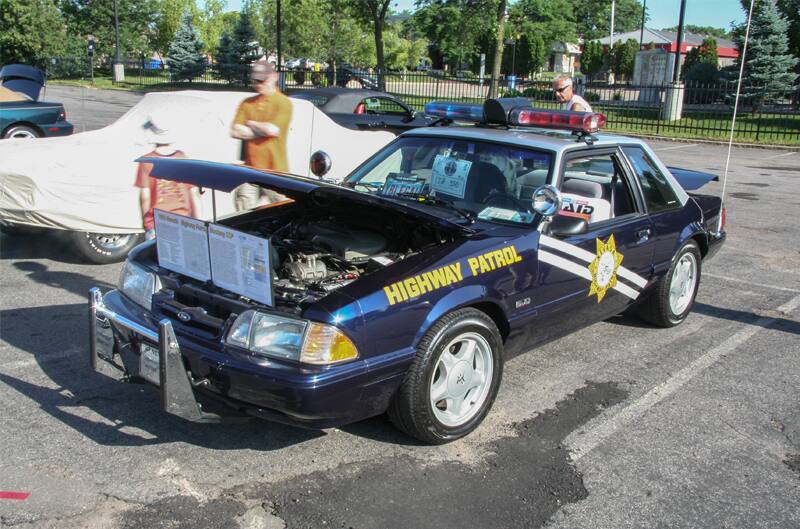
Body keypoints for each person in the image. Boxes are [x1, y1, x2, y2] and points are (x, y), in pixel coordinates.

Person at [230, 59, 293, 210]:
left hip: (276, 172)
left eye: (262, 80)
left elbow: (273, 130)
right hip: (251, 170)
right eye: (255, 80)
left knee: (283, 212)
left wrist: (250, 124)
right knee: (242, 213)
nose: (258, 84)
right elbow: (234, 131)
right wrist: (262, 130)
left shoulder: (283, 103)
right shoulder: (247, 103)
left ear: (274, 77)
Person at [135, 115, 201, 239]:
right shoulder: (184, 159)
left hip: (157, 222)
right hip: (183, 220)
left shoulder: (146, 161)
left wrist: (146, 223)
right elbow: (194, 193)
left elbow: (145, 196)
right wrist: (198, 222)